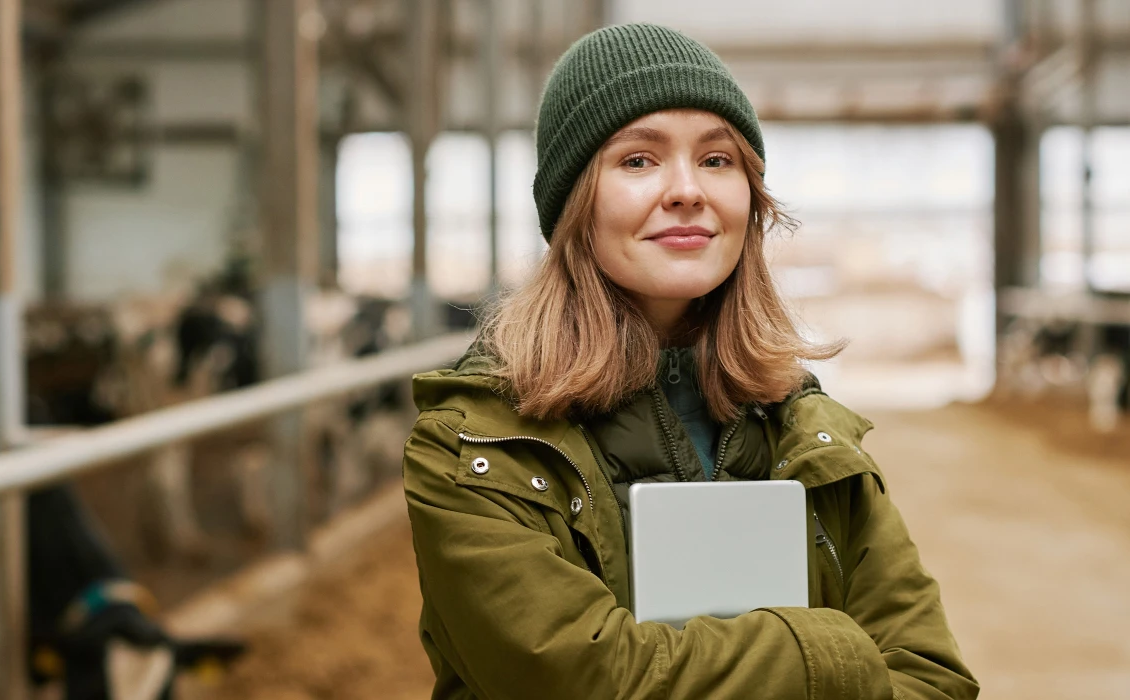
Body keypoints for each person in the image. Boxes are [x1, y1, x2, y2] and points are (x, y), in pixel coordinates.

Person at [402, 24, 979, 699]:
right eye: (638, 160)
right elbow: (582, 681)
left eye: (717, 160)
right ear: (573, 203)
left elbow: (933, 678)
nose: (687, 190)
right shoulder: (478, 445)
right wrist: (831, 657)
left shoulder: (809, 433)